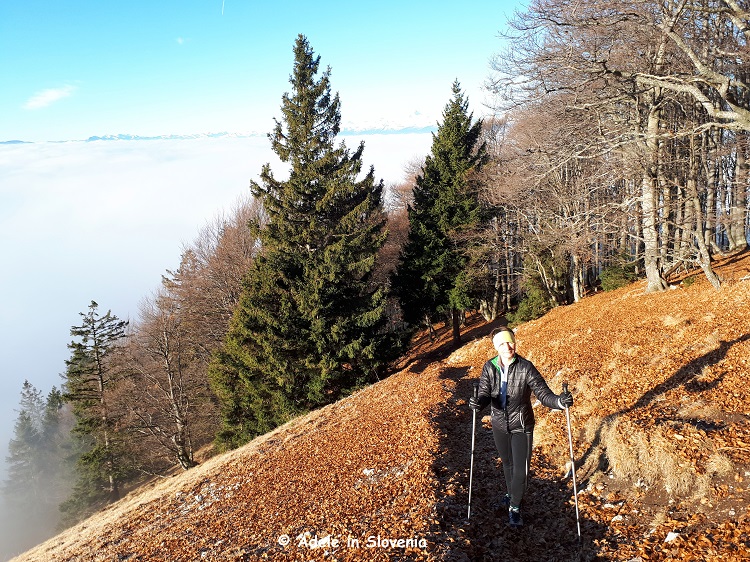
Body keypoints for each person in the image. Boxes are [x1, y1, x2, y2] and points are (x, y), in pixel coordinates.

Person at [468, 327, 573, 528]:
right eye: (502, 344)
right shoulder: (489, 367)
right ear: (496, 347)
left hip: (521, 425)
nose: (508, 347)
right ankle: (511, 495)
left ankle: (514, 507)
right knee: (507, 464)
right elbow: (483, 393)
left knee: (521, 471)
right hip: (499, 424)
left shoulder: (526, 367)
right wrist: (477, 404)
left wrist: (560, 402)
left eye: (510, 342)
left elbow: (543, 395)